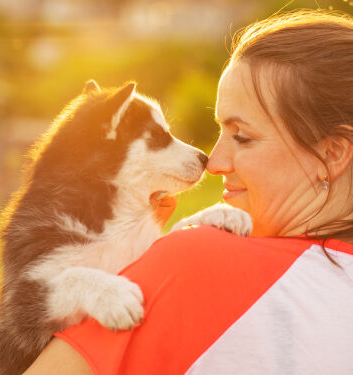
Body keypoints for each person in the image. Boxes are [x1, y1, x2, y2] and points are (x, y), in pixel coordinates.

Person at [24, 9, 353, 375]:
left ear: (332, 153)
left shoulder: (195, 260)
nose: (213, 162)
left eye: (242, 137)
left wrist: (152, 262)